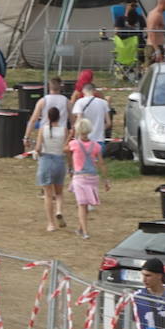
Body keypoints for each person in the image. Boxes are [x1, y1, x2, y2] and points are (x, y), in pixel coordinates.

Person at [67, 117, 109, 239]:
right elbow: (101, 163)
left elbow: (64, 149)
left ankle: (85, 231)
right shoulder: (96, 146)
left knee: (81, 204)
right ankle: (81, 228)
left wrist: (70, 135)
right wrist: (106, 179)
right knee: (84, 204)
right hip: (92, 177)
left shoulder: (73, 144)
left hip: (79, 177)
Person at [32, 104, 69, 232]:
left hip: (46, 161)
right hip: (59, 161)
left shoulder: (43, 129)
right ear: (59, 117)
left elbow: (37, 148)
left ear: (48, 117)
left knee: (48, 195)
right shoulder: (64, 130)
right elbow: (66, 147)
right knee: (59, 193)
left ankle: (51, 224)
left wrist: (38, 152)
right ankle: (59, 210)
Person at [70, 80, 112, 148]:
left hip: (83, 140)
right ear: (94, 91)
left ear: (83, 91)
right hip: (99, 140)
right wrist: (100, 129)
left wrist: (76, 136)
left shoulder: (79, 102)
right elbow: (109, 123)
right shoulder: (104, 103)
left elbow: (79, 120)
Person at [27, 77, 69, 142]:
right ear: (60, 87)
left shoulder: (42, 101)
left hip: (45, 133)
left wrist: (27, 136)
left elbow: (33, 120)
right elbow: (73, 121)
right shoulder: (67, 101)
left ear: (49, 87)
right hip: (62, 133)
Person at [145, 0, 165, 69]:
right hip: (153, 48)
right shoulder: (155, 15)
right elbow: (151, 33)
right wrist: (157, 51)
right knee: (150, 72)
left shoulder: (159, 14)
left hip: (157, 46)